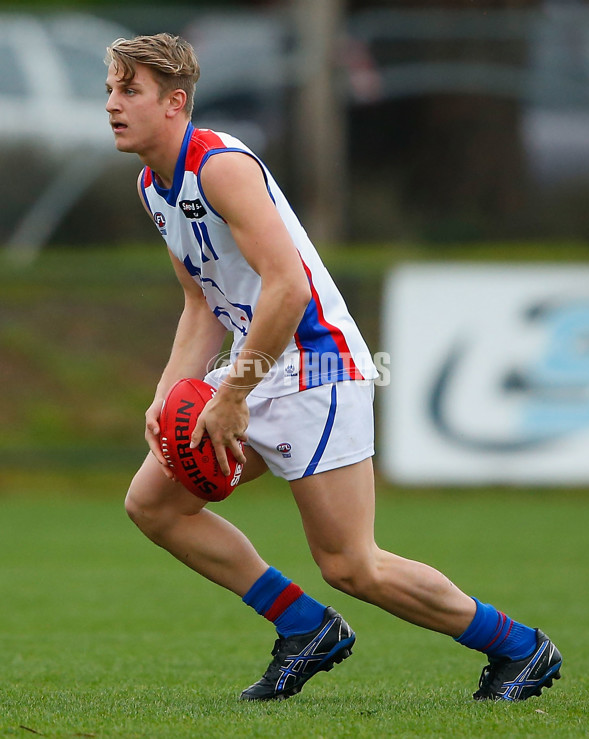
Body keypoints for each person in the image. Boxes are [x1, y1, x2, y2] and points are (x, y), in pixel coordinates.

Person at [105, 33, 562, 702]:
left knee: (353, 564)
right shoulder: (154, 185)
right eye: (111, 91)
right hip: (256, 365)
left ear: (175, 103)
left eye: (129, 91)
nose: (113, 105)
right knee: (153, 504)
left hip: (317, 366)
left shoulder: (220, 166)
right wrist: (170, 391)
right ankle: (303, 625)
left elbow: (287, 286)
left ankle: (520, 648)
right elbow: (200, 302)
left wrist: (230, 391)